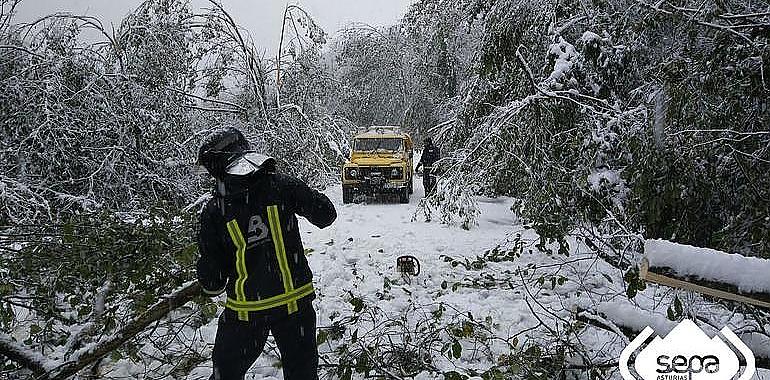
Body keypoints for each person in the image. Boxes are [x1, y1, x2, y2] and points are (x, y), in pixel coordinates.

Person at [195, 126, 336, 380]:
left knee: (225, 374)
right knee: (302, 374)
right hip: (295, 304)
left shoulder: (215, 210)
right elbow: (326, 214)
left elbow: (213, 282)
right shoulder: (280, 185)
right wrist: (299, 193)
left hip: (245, 310)